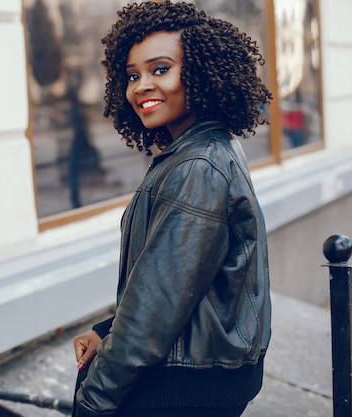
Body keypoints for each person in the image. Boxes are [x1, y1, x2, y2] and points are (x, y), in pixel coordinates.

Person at [71, 1, 272, 416]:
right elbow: (176, 284)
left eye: (160, 69)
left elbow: (155, 307)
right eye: (132, 75)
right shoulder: (205, 147)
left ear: (197, 73)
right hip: (202, 373)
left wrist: (92, 401)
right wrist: (108, 331)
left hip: (184, 387)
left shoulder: (198, 165)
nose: (141, 85)